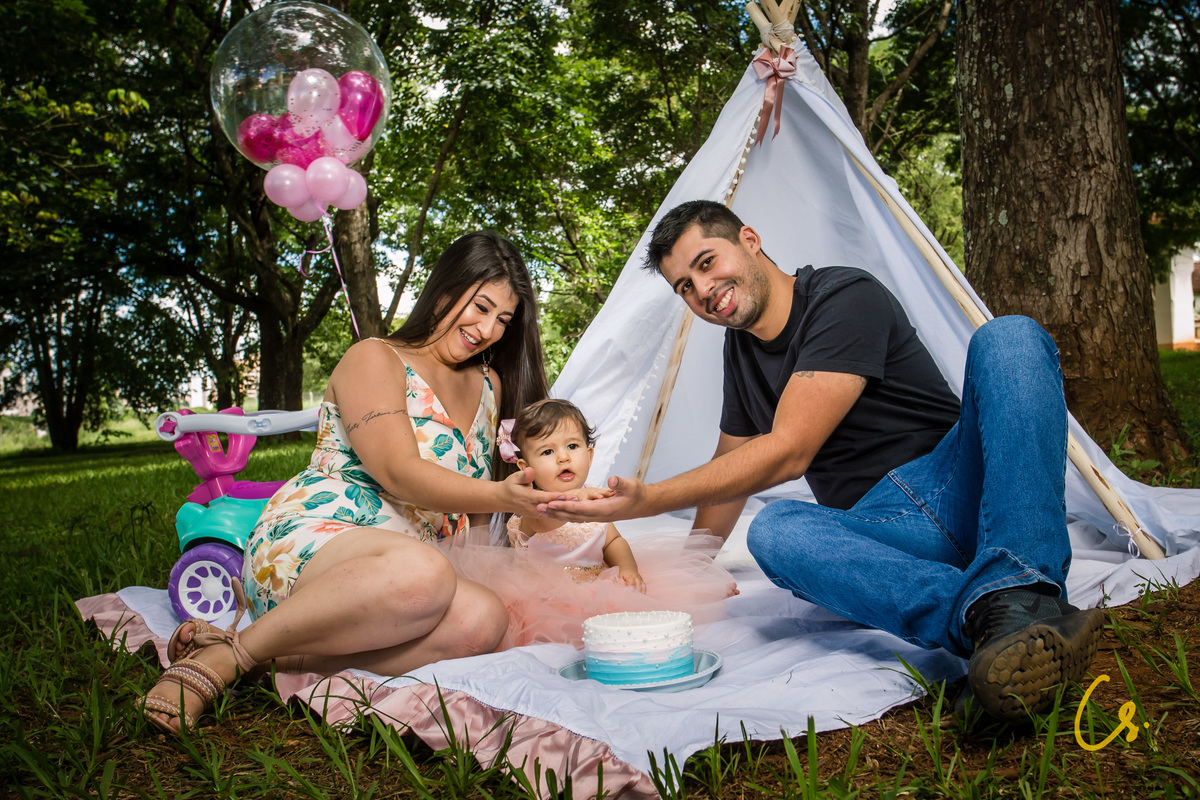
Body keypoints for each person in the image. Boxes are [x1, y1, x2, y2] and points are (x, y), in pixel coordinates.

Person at [543, 200, 1104, 720]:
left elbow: (789, 451)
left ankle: (1021, 583)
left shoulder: (843, 295)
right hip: (879, 530)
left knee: (1009, 337)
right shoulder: (740, 353)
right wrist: (692, 571)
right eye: (685, 287)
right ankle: (1000, 620)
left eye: (708, 263)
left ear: (750, 239)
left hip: (963, 485)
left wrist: (649, 498)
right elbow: (730, 469)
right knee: (776, 531)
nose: (704, 290)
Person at [142, 231, 561, 734]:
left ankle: (275, 660)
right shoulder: (374, 357)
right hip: (318, 539)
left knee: (483, 620)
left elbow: (471, 507)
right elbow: (398, 473)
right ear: (446, 291)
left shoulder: (491, 384)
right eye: (481, 307)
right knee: (423, 573)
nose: (488, 328)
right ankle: (227, 658)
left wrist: (481, 554)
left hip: (407, 583)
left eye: (503, 320)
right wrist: (500, 495)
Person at [442, 397, 737, 648]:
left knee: (647, 603)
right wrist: (582, 496)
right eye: (547, 452)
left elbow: (613, 541)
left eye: (572, 446)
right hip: (545, 597)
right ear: (525, 467)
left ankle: (703, 592)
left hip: (597, 584)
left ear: (590, 453)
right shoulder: (531, 507)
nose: (562, 458)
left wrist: (628, 569)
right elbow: (548, 517)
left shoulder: (595, 501)